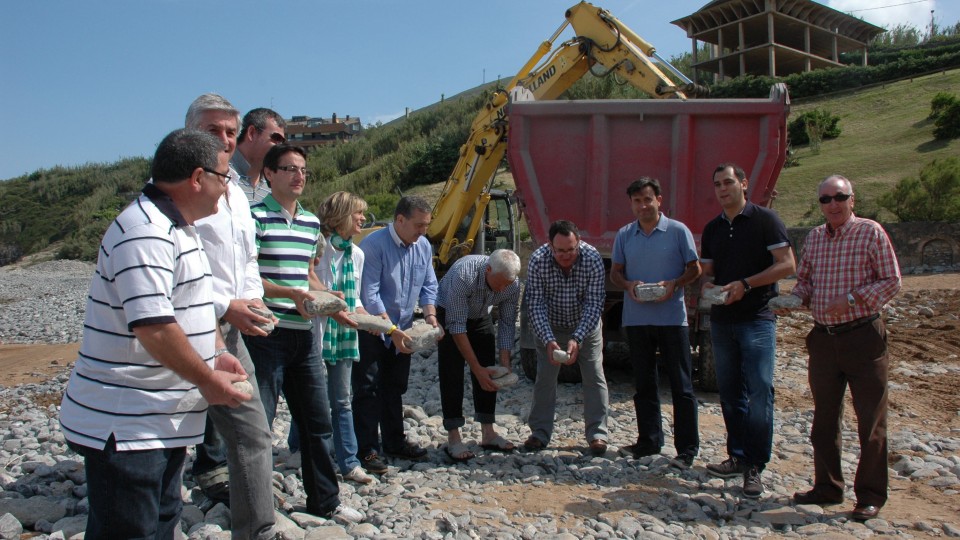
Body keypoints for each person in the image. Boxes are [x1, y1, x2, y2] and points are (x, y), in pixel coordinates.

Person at [59, 129, 251, 538]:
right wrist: (207, 380)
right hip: (127, 427)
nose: (227, 188)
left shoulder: (180, 226)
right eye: (224, 176)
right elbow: (155, 328)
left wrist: (215, 352)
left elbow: (193, 306)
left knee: (160, 525)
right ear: (198, 178)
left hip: (159, 421)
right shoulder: (145, 231)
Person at [245, 144, 362, 523]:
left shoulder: (312, 223)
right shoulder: (254, 217)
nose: (299, 176)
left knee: (317, 422)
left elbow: (309, 274)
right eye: (289, 168)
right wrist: (289, 294)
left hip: (305, 335)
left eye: (303, 170)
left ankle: (325, 502)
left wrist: (329, 299)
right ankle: (255, 507)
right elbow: (245, 278)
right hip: (266, 332)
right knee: (258, 423)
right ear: (269, 175)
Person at [779, 175, 901, 521]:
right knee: (824, 417)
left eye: (839, 197)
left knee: (871, 420)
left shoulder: (871, 232)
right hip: (823, 338)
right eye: (825, 199)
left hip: (863, 335)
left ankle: (870, 495)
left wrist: (850, 300)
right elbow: (806, 281)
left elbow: (892, 281)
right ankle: (828, 486)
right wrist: (794, 299)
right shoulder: (816, 238)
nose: (832, 204)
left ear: (852, 200)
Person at [186, 93, 278, 538]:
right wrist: (226, 305)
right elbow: (176, 266)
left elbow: (246, 258)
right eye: (212, 130)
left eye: (228, 131)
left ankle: (257, 529)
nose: (224, 139)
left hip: (232, 328)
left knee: (253, 432)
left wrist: (251, 300)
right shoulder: (174, 189)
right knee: (163, 439)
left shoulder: (237, 195)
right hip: (177, 331)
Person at [700, 163, 796, 498]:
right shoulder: (712, 228)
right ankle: (737, 455)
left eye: (728, 182)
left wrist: (746, 284)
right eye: (717, 184)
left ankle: (755, 465)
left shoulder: (765, 220)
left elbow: (787, 265)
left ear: (743, 184)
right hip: (723, 320)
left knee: (759, 392)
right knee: (729, 393)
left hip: (756, 318)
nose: (722, 189)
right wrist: (708, 283)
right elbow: (709, 268)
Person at [609, 178, 701, 468]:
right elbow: (615, 274)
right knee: (644, 383)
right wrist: (628, 284)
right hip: (636, 321)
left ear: (659, 199)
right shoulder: (624, 234)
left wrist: (673, 284)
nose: (643, 205)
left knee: (681, 386)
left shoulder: (677, 231)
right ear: (631, 204)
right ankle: (648, 441)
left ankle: (686, 449)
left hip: (673, 320)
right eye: (637, 201)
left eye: (648, 199)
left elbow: (694, 269)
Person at [354, 195, 441, 473]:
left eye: (426, 225)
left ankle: (394, 441)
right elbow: (369, 294)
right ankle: (366, 449)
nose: (423, 231)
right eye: (418, 225)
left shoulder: (423, 246)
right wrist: (391, 331)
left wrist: (429, 317)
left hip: (403, 329)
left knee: (394, 387)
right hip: (373, 329)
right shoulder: (373, 245)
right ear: (400, 220)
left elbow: (429, 284)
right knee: (367, 388)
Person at [522, 220, 610, 456]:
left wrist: (577, 339)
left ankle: (598, 435)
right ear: (550, 246)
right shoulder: (538, 260)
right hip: (549, 325)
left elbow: (594, 304)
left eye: (571, 249)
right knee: (545, 378)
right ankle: (539, 433)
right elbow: (535, 305)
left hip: (585, 324)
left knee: (594, 375)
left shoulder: (592, 259)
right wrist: (549, 341)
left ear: (578, 242)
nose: (566, 255)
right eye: (560, 250)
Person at [313, 191, 376, 484]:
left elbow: (357, 303)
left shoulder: (358, 254)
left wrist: (374, 321)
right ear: (340, 217)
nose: (362, 218)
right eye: (357, 213)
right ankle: (301, 447)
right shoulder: (319, 248)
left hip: (344, 336)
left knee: (341, 400)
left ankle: (348, 462)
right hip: (316, 333)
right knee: (311, 398)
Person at [436, 250, 522, 461]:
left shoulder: (512, 283)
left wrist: (504, 363)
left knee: (489, 370)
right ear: (488, 269)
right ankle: (454, 437)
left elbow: (507, 322)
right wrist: (475, 369)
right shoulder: (464, 275)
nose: (503, 288)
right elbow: (456, 326)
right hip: (449, 313)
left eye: (507, 284)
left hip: (481, 314)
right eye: (499, 283)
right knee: (452, 372)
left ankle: (488, 432)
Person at [233, 107, 287, 203]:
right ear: (251, 133)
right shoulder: (221, 172)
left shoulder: (272, 186)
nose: (280, 147)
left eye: (282, 142)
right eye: (276, 138)